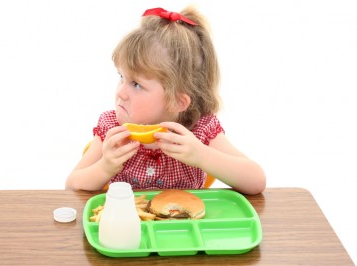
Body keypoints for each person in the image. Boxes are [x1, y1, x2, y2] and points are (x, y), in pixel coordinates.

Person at [66, 6, 266, 195]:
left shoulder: (200, 130)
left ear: (178, 102)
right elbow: (71, 187)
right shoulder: (112, 128)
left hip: (184, 229)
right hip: (130, 229)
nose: (121, 93)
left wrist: (202, 155)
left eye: (136, 84)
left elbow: (256, 180)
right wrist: (105, 167)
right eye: (121, 77)